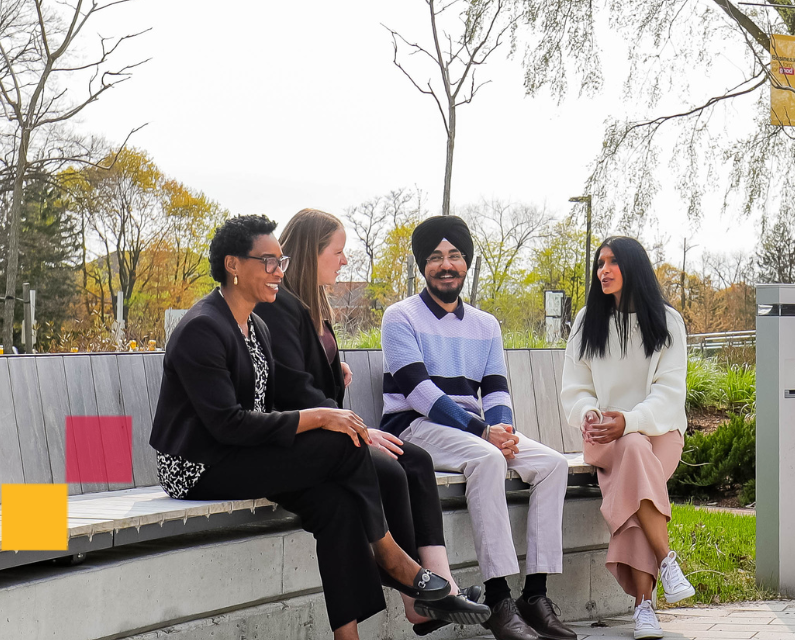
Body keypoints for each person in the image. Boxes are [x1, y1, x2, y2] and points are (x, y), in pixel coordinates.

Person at [151, 215, 452, 640]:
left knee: (336, 504)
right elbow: (227, 423)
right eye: (269, 262)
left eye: (282, 261)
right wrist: (321, 418)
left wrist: (334, 374)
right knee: (343, 445)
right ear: (234, 265)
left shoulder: (254, 325)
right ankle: (389, 554)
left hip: (240, 451)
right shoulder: (203, 327)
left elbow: (277, 394)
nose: (279, 272)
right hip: (198, 464)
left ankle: (347, 635)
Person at [255, 208, 490, 633]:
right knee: (391, 471)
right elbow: (290, 388)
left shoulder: (313, 305)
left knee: (413, 461)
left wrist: (337, 376)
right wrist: (361, 429)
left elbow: (312, 383)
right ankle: (415, 593)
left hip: (325, 429)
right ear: (314, 251)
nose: (344, 261)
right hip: (300, 440)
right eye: (338, 251)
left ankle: (441, 586)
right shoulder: (280, 307)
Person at [380, 215, 576, 640]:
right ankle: (498, 598)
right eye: (435, 258)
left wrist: (502, 429)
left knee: (553, 464)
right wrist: (483, 433)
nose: (445, 265)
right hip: (416, 428)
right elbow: (418, 392)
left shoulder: (486, 325)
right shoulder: (401, 317)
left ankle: (535, 595)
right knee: (486, 459)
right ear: (422, 266)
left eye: (454, 256)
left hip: (473, 433)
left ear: (466, 263)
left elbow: (496, 390)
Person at [558, 237, 696, 639]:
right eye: (599, 263)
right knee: (632, 456)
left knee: (635, 465)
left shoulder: (668, 322)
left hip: (659, 432)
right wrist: (592, 415)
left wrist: (631, 421)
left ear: (633, 267)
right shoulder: (588, 321)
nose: (603, 270)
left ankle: (645, 607)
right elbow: (575, 388)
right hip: (603, 435)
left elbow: (670, 394)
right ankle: (666, 561)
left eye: (613, 262)